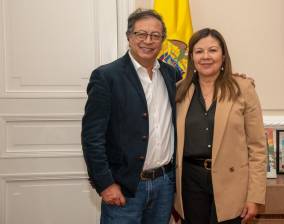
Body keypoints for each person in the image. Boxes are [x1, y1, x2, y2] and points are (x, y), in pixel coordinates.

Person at [81, 9, 179, 224]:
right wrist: (105, 184)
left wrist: (234, 78)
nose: (148, 41)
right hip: (125, 188)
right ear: (129, 37)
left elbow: (204, 83)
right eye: (140, 34)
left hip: (165, 185)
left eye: (155, 35)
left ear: (163, 40)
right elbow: (92, 138)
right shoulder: (106, 77)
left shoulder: (172, 74)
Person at [174, 28, 266, 224]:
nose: (206, 56)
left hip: (232, 184)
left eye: (213, 50)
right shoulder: (179, 91)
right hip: (190, 183)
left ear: (223, 56)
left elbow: (257, 147)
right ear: (191, 57)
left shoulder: (243, 88)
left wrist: (254, 196)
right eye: (199, 51)